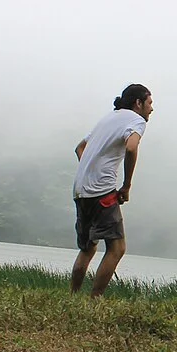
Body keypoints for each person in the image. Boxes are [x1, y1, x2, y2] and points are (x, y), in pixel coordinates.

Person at [70, 84, 153, 297]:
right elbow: (131, 147)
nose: (151, 109)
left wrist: (90, 171)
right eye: (149, 103)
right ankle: (95, 299)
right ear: (138, 103)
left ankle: (73, 296)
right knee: (117, 248)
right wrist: (126, 185)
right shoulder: (137, 120)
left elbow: (80, 148)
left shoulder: (108, 118)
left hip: (80, 190)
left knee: (87, 248)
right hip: (102, 191)